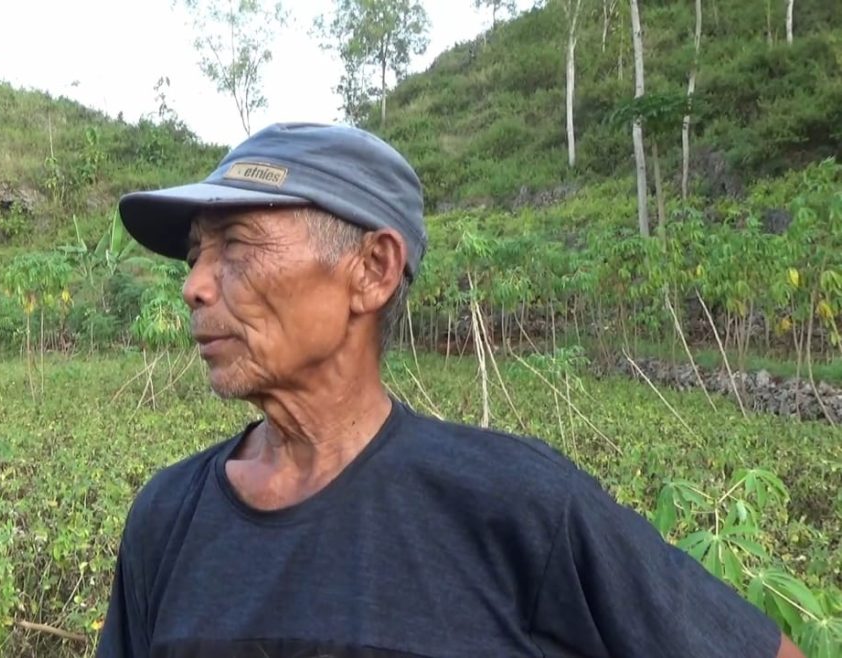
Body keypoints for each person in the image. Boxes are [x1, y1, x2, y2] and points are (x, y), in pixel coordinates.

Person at [96, 122, 805, 658]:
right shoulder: (168, 518)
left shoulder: (520, 506)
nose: (193, 285)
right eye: (196, 255)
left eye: (237, 247)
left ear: (373, 270)